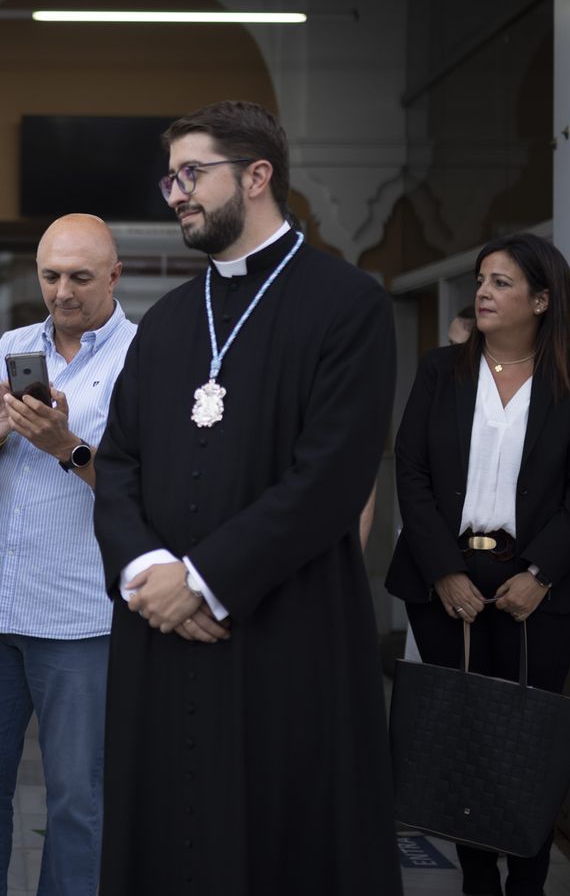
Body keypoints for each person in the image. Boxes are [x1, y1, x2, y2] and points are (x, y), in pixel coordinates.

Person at [94, 100, 401, 894]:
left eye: (193, 174)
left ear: (257, 176)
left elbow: (332, 476)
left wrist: (201, 578)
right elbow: (118, 461)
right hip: (160, 638)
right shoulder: (161, 324)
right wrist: (148, 571)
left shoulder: (348, 305)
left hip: (283, 635)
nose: (177, 194)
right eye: (171, 179)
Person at [388, 232, 570, 896]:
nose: (483, 291)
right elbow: (412, 471)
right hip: (443, 580)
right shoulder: (440, 370)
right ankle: (478, 884)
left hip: (540, 585)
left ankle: (529, 884)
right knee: (465, 739)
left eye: (502, 282)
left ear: (542, 299)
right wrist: (443, 572)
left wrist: (540, 572)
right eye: (481, 280)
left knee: (529, 744)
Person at [0, 214, 134, 896]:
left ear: (114, 276)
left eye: (80, 277)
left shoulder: (141, 359)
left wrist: (68, 446)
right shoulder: (13, 345)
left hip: (80, 613)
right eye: (51, 275)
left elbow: (146, 489)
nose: (62, 291)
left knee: (77, 802)